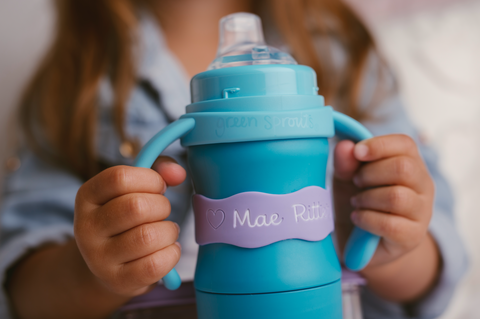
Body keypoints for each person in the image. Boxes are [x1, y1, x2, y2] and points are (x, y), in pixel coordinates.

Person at [0, 0, 468, 318]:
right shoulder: (78, 82)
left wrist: (381, 238)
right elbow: (25, 290)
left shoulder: (342, 50)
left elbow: (431, 268)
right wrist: (98, 267)